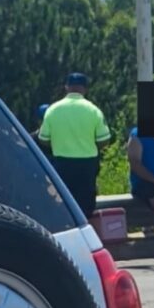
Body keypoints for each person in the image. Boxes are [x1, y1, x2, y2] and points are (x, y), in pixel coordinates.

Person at [36, 71, 110, 214]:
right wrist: (92, 146)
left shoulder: (53, 110)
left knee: (64, 202)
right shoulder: (93, 110)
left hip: (62, 163)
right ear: (85, 88)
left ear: (67, 87)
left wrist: (58, 145)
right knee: (86, 203)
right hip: (87, 164)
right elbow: (104, 139)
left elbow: (43, 139)